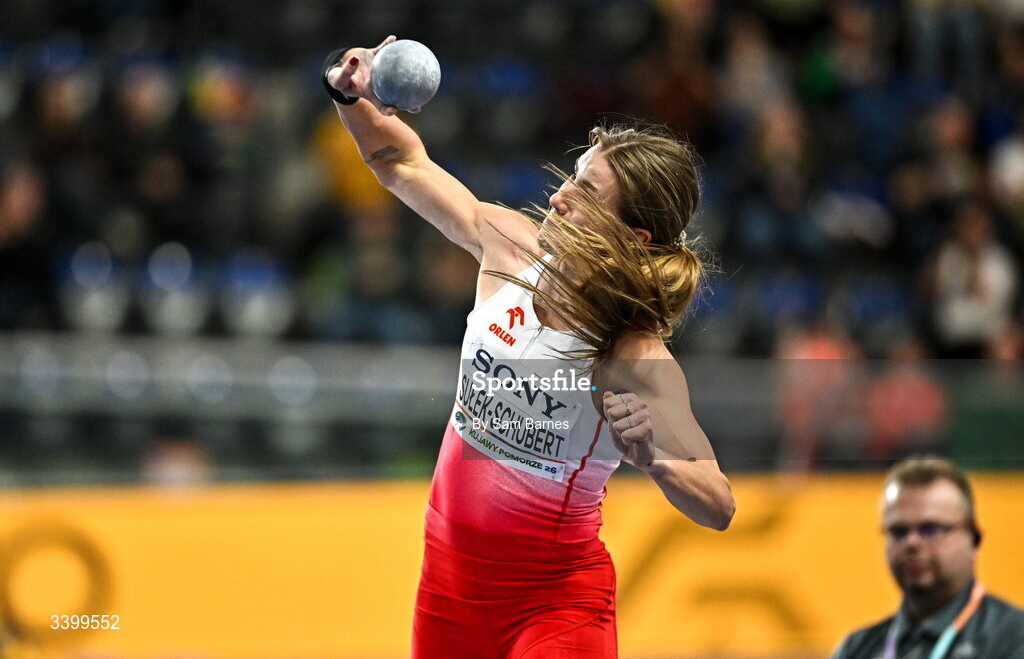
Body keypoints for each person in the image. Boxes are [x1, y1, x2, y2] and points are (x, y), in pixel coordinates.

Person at [322, 36, 736, 659]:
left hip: (555, 607)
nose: (560, 196)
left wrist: (653, 459)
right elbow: (400, 162)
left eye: (588, 193)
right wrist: (347, 92)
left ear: (634, 234)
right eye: (574, 178)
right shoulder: (510, 250)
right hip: (447, 590)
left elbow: (719, 504)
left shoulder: (632, 351)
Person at [832, 457, 1024, 659]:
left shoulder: (1013, 640)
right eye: (898, 531)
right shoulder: (857, 650)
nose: (912, 543)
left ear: (974, 540)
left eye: (930, 529)